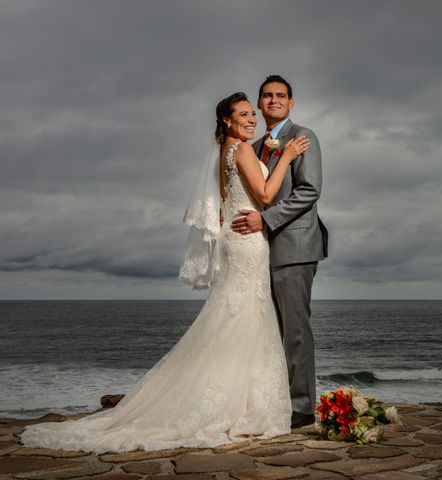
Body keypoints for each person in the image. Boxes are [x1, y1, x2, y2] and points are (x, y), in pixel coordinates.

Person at [19, 92, 310, 453]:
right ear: (227, 121)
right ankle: (239, 403)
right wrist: (287, 156)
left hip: (235, 243)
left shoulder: (224, 155)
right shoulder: (244, 151)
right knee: (245, 319)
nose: (252, 120)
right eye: (244, 115)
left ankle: (230, 396)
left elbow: (224, 206)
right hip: (248, 243)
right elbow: (265, 196)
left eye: (253, 114)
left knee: (232, 320)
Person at [231, 75, 328, 429]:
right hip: (258, 252)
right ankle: (271, 402)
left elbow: (309, 191)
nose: (274, 100)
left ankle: (301, 410)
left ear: (291, 103)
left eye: (281, 96)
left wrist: (265, 220)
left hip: (295, 247)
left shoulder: (304, 138)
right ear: (258, 104)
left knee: (296, 331)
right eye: (267, 95)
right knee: (266, 330)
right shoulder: (252, 146)